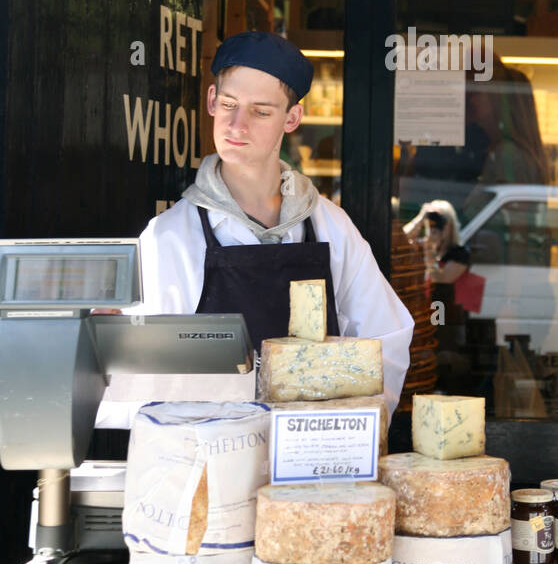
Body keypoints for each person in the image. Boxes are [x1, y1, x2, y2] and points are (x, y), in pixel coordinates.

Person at [97, 30, 413, 426]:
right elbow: (136, 380)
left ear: (292, 118)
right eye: (228, 104)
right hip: (210, 464)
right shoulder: (170, 237)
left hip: (311, 462)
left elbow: (385, 343)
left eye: (261, 111)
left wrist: (347, 431)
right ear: (212, 100)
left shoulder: (331, 227)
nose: (237, 125)